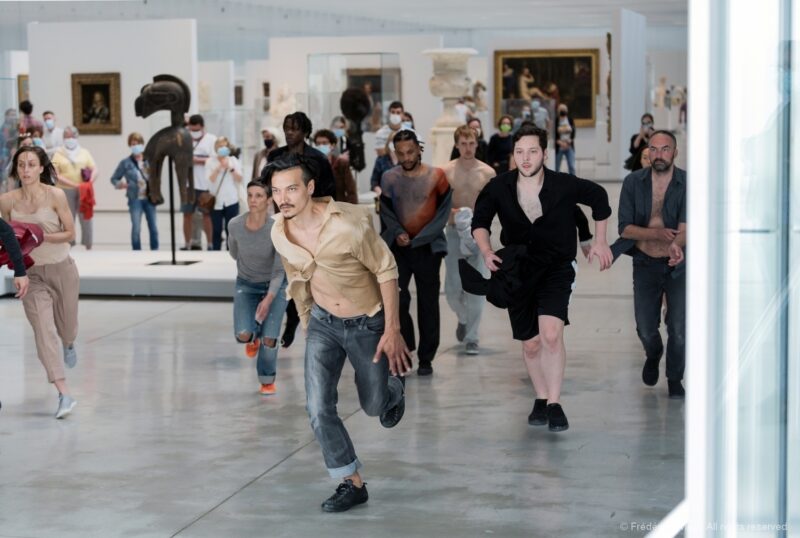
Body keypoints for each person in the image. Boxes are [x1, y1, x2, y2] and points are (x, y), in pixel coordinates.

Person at [265, 153, 411, 513]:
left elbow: (386, 268)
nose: (282, 198)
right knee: (317, 408)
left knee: (373, 406)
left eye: (291, 189)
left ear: (310, 188)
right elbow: (296, 276)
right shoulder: (278, 230)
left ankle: (392, 389)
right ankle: (351, 482)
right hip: (323, 325)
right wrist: (305, 319)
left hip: (367, 323)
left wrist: (392, 329)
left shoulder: (347, 225)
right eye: (276, 190)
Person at [471, 124, 613, 432]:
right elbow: (480, 220)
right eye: (520, 152)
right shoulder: (499, 187)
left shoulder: (563, 184)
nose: (525, 158)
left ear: (545, 154)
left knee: (550, 334)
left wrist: (599, 240)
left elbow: (599, 197)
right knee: (531, 343)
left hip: (556, 267)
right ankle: (540, 396)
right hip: (517, 270)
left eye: (532, 151)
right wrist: (485, 250)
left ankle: (555, 402)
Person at [0, 146, 80, 419]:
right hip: (31, 275)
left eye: (31, 164)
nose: (25, 170)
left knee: (66, 328)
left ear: (42, 168)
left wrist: (39, 236)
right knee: (43, 331)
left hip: (62, 269)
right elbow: (7, 237)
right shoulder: (7, 201)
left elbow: (70, 233)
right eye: (21, 165)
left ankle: (69, 343)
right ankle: (64, 393)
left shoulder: (56, 195)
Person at [611, 130, 686, 399]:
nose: (659, 154)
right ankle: (654, 353)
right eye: (653, 149)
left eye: (665, 149)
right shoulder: (633, 182)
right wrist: (655, 234)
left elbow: (686, 225)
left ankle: (675, 378)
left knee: (678, 326)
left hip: (677, 264)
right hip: (645, 263)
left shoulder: (686, 183)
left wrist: (677, 245)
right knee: (645, 326)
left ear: (675, 152)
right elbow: (625, 228)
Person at [379, 129, 452, 375]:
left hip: (428, 248)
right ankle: (406, 347)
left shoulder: (437, 176)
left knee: (428, 302)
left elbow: (442, 214)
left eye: (410, 151)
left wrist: (420, 238)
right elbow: (386, 212)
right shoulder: (389, 178)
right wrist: (398, 232)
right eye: (400, 153)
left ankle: (426, 357)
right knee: (397, 299)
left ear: (419, 149)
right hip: (398, 248)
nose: (406, 157)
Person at [267, 111, 336, 347]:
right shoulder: (276, 156)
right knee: (286, 278)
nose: (289, 132)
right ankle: (292, 322)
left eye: (294, 128)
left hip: (312, 225)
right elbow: (267, 186)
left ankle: (309, 324)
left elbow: (329, 192)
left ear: (305, 131)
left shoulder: (317, 159)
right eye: (286, 127)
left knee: (311, 276)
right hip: (284, 223)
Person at [227, 180, 288, 395]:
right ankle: (252, 337)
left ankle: (266, 379)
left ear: (269, 201)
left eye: (259, 196)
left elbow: (280, 271)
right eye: (250, 195)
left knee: (270, 339)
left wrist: (269, 298)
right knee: (243, 334)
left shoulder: (277, 229)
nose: (253, 200)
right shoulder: (234, 224)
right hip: (246, 283)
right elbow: (234, 253)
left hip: (276, 286)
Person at [441, 125, 495, 355]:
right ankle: (463, 318)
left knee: (478, 286)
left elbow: (494, 204)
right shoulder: (445, 171)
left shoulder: (487, 172)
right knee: (452, 288)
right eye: (463, 144)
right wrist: (454, 213)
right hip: (453, 232)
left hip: (479, 233)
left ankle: (472, 336)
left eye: (471, 143)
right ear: (456, 145)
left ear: (477, 143)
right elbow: (439, 205)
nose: (467, 148)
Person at [110, 132, 159, 251]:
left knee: (153, 227)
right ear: (130, 145)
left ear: (142, 145)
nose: (135, 146)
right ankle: (136, 252)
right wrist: (121, 185)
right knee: (136, 227)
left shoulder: (150, 160)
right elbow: (114, 178)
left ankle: (155, 251)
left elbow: (156, 176)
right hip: (135, 199)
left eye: (138, 144)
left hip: (149, 198)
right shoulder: (125, 163)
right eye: (133, 144)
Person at [51, 126, 96, 249]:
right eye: (67, 136)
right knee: (67, 218)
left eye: (72, 136)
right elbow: (55, 174)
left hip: (83, 190)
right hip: (65, 190)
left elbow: (94, 168)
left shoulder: (84, 152)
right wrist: (74, 184)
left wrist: (89, 182)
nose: (70, 139)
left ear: (76, 137)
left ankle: (88, 244)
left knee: (85, 216)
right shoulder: (58, 153)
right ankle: (69, 243)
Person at [181, 114, 215, 250]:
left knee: (206, 215)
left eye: (196, 130)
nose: (194, 133)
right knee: (187, 215)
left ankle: (211, 244)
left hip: (205, 185)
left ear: (202, 127)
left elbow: (214, 159)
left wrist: (196, 160)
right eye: (191, 129)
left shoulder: (211, 139)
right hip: (188, 185)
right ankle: (187, 244)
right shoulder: (184, 138)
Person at [205, 136, 243, 251]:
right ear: (216, 147)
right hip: (216, 201)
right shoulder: (210, 161)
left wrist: (230, 168)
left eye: (224, 146)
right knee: (216, 230)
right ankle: (216, 252)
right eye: (220, 146)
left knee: (230, 230)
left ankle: (230, 252)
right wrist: (219, 167)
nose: (222, 148)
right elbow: (209, 180)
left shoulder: (233, 160)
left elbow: (239, 178)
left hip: (231, 199)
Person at [313, 129, 358, 204]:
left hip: (338, 206)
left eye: (324, 143)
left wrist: (352, 210)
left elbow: (351, 190)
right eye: (318, 144)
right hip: (318, 208)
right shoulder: (311, 165)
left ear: (332, 145)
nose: (321, 146)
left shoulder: (341, 164)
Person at [554, 104, 577, 175]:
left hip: (569, 145)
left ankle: (573, 183)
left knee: (571, 166)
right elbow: (553, 133)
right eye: (561, 110)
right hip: (559, 146)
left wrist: (570, 140)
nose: (563, 111)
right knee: (556, 167)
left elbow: (573, 130)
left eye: (564, 109)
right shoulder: (556, 120)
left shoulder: (570, 119)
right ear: (558, 111)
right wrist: (559, 142)